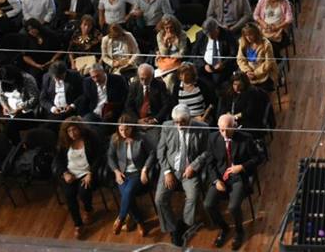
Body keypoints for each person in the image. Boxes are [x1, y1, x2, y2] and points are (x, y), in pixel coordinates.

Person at [202, 114, 262, 250]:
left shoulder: (246, 138)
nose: (224, 133)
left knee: (233, 207)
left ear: (234, 127)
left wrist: (242, 167)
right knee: (208, 204)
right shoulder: (212, 138)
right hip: (221, 177)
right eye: (221, 129)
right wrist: (216, 180)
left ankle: (239, 231)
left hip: (239, 177)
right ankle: (224, 228)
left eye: (227, 129)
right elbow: (210, 163)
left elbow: (258, 158)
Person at [156, 104, 209, 246]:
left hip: (189, 170)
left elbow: (207, 152)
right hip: (170, 169)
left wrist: (194, 166)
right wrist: (167, 172)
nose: (179, 125)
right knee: (160, 199)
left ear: (189, 118)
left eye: (182, 122)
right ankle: (172, 229)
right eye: (176, 122)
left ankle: (184, 225)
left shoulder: (202, 128)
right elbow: (160, 151)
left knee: (192, 197)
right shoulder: (167, 126)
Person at [107, 113, 156, 236]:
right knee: (127, 196)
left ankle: (121, 218)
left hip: (137, 173)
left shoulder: (141, 138)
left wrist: (145, 169)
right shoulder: (115, 139)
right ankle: (140, 222)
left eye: (127, 129)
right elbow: (110, 157)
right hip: (123, 173)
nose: (124, 132)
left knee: (127, 192)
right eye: (121, 129)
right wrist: (116, 172)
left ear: (132, 128)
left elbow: (152, 153)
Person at [56, 116, 102, 238]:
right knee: (69, 196)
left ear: (79, 128)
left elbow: (99, 157)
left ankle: (88, 209)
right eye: (69, 131)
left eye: (74, 130)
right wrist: (65, 173)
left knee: (83, 192)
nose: (72, 133)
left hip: (86, 173)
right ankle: (78, 224)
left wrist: (90, 173)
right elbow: (58, 160)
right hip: (70, 173)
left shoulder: (90, 138)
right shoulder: (64, 142)